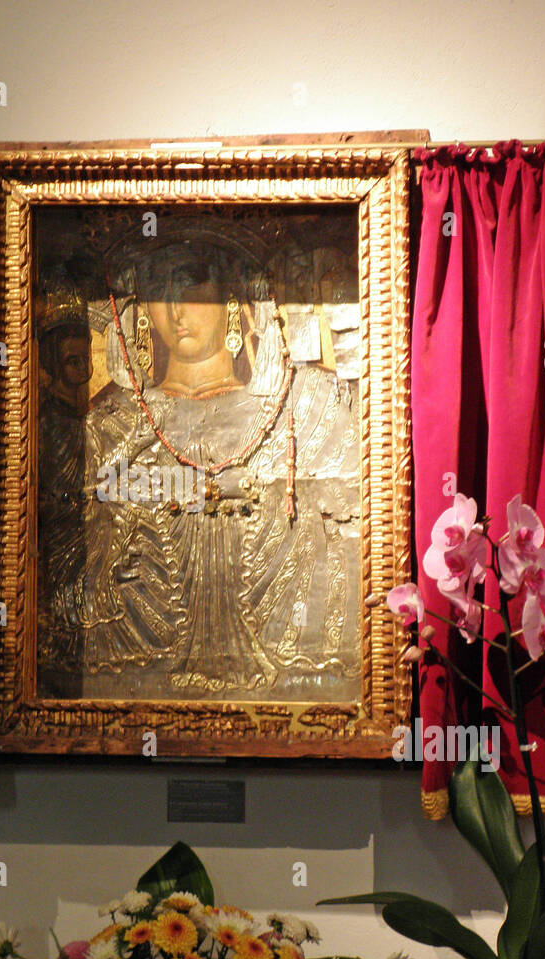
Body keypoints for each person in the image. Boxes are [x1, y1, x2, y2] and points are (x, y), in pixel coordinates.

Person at [36, 219, 362, 703]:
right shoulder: (108, 427)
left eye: (190, 281)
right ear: (141, 310)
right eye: (157, 288)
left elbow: (349, 533)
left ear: (232, 297)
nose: (175, 308)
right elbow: (60, 554)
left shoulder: (307, 408)